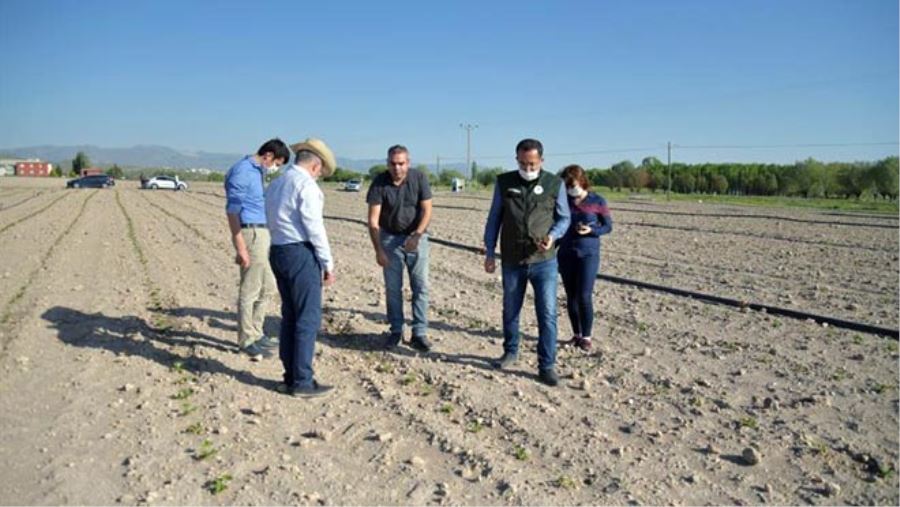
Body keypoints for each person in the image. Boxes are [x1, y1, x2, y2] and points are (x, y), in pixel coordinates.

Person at [483, 138, 571, 386]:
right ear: (516, 159)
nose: (528, 168)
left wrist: (552, 237)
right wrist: (490, 251)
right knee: (511, 309)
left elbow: (564, 219)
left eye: (532, 164)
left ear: (541, 160)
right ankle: (510, 351)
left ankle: (547, 365)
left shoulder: (555, 184)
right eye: (523, 163)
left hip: (544, 261)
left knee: (547, 313)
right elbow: (494, 219)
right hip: (512, 259)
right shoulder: (505, 183)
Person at [265, 138, 337, 398]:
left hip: (278, 250)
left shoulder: (277, 183)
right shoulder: (306, 186)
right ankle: (304, 382)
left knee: (290, 317)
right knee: (307, 319)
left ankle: (290, 377)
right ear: (316, 166)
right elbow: (314, 228)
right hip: (299, 253)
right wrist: (327, 263)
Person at [224, 139, 289, 360]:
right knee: (250, 289)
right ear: (268, 156)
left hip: (264, 232)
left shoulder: (257, 171)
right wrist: (240, 246)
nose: (276, 169)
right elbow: (232, 212)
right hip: (251, 233)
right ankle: (246, 339)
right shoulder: (242, 172)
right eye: (277, 163)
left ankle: (257, 332)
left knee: (268, 287)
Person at [366, 145, 433, 351]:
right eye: (393, 164)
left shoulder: (419, 178)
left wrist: (417, 235)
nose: (397, 168)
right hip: (389, 239)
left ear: (408, 163)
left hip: (417, 238)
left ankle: (419, 333)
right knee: (393, 288)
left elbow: (427, 210)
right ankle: (396, 330)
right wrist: (379, 250)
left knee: (420, 286)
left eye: (401, 163)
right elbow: (373, 220)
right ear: (388, 164)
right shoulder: (379, 183)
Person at [557, 164, 613, 351]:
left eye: (572, 185)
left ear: (582, 182)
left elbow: (607, 226)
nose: (570, 189)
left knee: (584, 296)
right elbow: (557, 224)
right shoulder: (563, 201)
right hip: (566, 254)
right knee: (571, 297)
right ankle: (576, 334)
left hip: (588, 254)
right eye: (567, 186)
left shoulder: (597, 201)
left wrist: (592, 230)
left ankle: (587, 337)